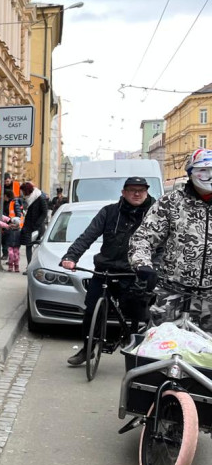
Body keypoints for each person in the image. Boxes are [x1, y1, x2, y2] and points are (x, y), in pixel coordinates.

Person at [60, 176, 155, 366]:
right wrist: (71, 257)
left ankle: (139, 348)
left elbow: (161, 245)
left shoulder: (154, 214)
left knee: (138, 311)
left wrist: (153, 267)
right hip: (106, 269)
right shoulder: (109, 212)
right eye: (132, 190)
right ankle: (87, 349)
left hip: (134, 271)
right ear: (123, 192)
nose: (137, 194)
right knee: (91, 310)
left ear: (146, 192)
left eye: (141, 190)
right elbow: (87, 236)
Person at [130, 150, 212, 332]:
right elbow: (143, 237)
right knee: (162, 345)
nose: (210, 176)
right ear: (190, 172)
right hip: (172, 293)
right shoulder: (171, 202)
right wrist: (142, 263)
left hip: (210, 298)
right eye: (203, 170)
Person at [19, 182, 49, 269]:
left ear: (27, 190)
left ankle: (37, 267)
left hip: (37, 227)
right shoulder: (27, 199)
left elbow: (44, 212)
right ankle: (29, 266)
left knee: (37, 247)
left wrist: (37, 224)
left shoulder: (39, 198)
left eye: (22, 191)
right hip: (28, 227)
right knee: (28, 246)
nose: (21, 193)